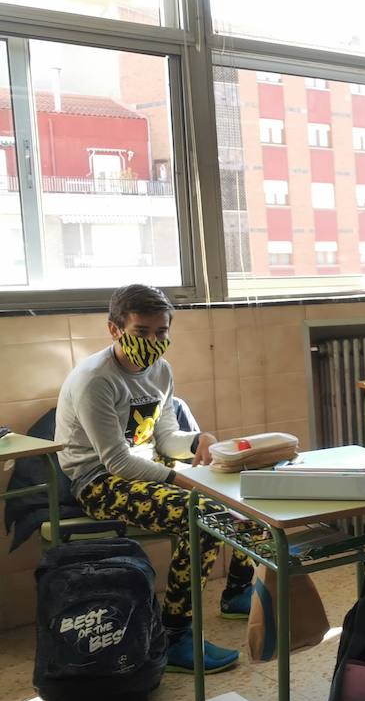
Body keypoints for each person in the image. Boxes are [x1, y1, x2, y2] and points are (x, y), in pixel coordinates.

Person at [54, 284, 254, 674]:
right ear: (114, 329)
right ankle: (175, 635)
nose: (153, 341)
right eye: (141, 331)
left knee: (241, 491)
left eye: (161, 332)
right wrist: (186, 483)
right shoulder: (96, 380)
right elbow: (117, 463)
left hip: (147, 468)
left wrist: (201, 440)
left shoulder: (161, 370)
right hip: (98, 481)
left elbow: (165, 439)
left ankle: (238, 592)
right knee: (203, 517)